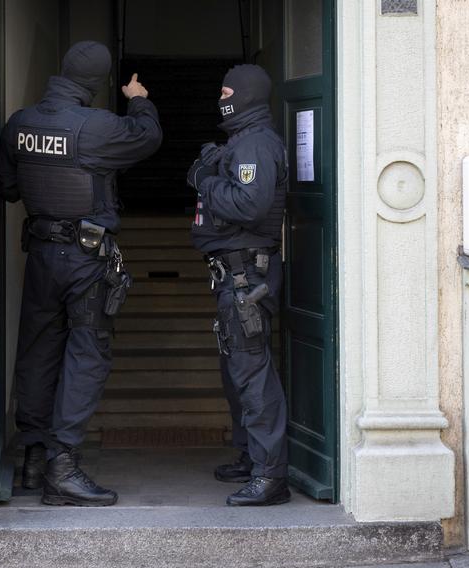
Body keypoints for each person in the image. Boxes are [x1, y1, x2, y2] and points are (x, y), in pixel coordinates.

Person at [0, 41, 162, 507]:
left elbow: (7, 188)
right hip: (85, 260)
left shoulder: (20, 124)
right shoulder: (97, 128)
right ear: (98, 83)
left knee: (38, 349)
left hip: (41, 256)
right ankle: (63, 467)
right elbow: (148, 138)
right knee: (86, 354)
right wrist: (140, 99)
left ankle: (31, 455)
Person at [186, 63, 290, 506]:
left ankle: (271, 477)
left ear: (246, 96)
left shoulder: (255, 145)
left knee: (252, 373)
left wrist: (207, 182)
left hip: (248, 274)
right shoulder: (241, 143)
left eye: (228, 90)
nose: (221, 97)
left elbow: (249, 205)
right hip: (234, 273)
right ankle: (251, 457)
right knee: (237, 372)